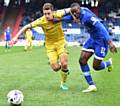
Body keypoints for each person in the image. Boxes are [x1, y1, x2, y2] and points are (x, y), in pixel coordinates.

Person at [11, 3, 71, 90]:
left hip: (61, 42)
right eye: (45, 14)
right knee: (56, 68)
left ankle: (63, 83)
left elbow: (72, 9)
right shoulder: (41, 21)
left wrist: (77, 14)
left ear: (53, 12)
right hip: (50, 46)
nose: (46, 16)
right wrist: (15, 37)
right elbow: (26, 26)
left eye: (48, 13)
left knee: (64, 63)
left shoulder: (59, 13)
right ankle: (65, 70)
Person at [63, 3, 117, 92]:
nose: (75, 14)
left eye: (76, 12)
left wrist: (110, 42)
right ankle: (91, 85)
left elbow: (101, 27)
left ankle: (108, 63)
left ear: (79, 10)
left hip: (101, 40)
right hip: (92, 39)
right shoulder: (78, 13)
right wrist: (59, 19)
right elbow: (70, 17)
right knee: (82, 60)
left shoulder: (87, 16)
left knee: (96, 67)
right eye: (73, 13)